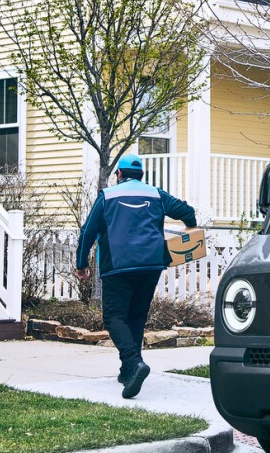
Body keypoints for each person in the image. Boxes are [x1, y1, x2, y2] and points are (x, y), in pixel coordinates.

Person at [75, 153, 197, 398]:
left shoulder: (107, 196)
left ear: (119, 174)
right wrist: (191, 229)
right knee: (136, 317)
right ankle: (128, 370)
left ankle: (134, 362)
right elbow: (186, 211)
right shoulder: (155, 194)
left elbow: (88, 231)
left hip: (118, 266)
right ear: (141, 175)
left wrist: (81, 264)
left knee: (114, 317)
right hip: (151, 265)